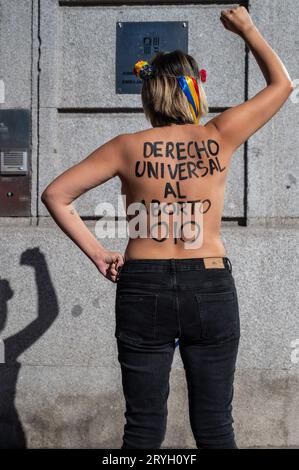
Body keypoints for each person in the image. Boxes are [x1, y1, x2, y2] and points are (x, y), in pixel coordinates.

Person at [41, 6, 293, 449]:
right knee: (216, 428)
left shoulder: (125, 148)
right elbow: (282, 86)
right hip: (210, 281)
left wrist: (100, 253)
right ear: (193, 91)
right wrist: (247, 29)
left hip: (143, 286)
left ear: (149, 97)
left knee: (141, 429)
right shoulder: (219, 135)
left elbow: (55, 194)